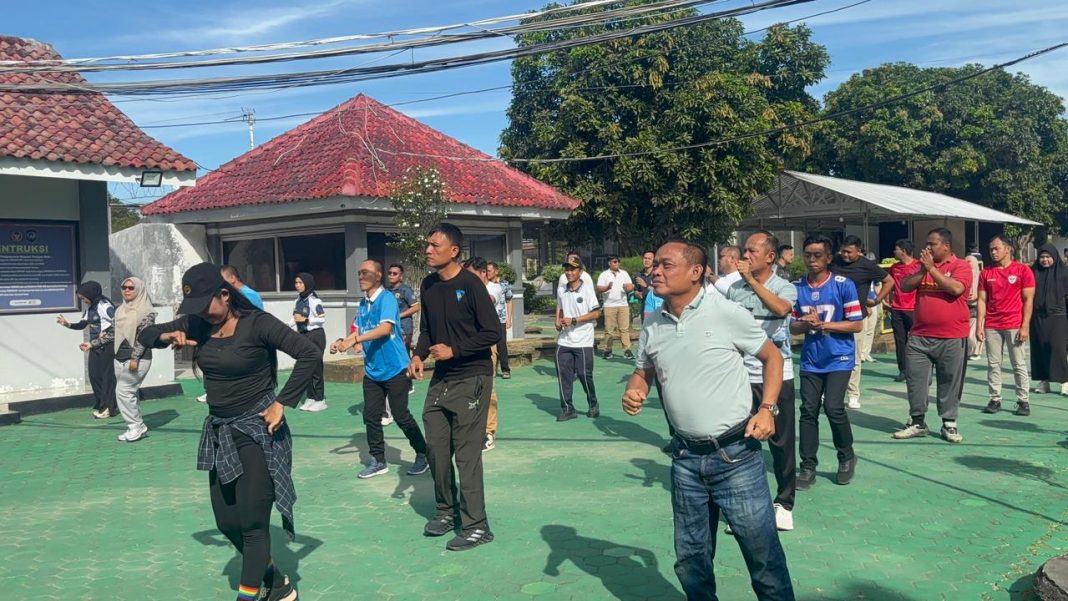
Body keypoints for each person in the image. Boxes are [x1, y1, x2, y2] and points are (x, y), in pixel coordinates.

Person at [138, 262, 321, 601]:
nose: (200, 315)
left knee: (253, 526)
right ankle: (277, 583)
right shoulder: (198, 322)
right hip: (222, 433)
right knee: (227, 522)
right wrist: (166, 336)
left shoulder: (258, 324)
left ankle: (249, 595)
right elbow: (144, 335)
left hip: (258, 432)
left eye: (206, 305)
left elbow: (309, 353)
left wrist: (282, 402)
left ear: (225, 294)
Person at [623, 240, 792, 601]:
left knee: (762, 558)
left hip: (736, 457)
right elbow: (643, 371)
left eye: (667, 265)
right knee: (691, 559)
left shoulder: (725, 312)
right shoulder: (652, 323)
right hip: (684, 459)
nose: (655, 271)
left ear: (696, 272)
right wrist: (635, 389)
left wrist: (768, 408)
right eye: (657, 266)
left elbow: (772, 357)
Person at [409, 223, 501, 552]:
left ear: (454, 251)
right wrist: (419, 355)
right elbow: (428, 330)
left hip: (473, 375)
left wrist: (455, 350)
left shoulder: (472, 286)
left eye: (435, 245)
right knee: (435, 448)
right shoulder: (429, 285)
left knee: (466, 455)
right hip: (442, 378)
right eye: (427, 245)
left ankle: (477, 525)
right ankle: (446, 512)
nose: (428, 250)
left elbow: (492, 332)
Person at [330, 260, 429, 479]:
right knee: (371, 416)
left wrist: (356, 339)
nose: (360, 277)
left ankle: (423, 453)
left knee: (401, 416)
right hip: (373, 371)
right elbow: (360, 330)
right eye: (358, 273)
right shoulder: (363, 304)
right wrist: (343, 341)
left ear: (378, 276)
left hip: (395, 369)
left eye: (365, 272)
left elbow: (384, 329)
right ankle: (378, 460)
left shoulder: (387, 299)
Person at [727, 231, 798, 530]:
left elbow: (781, 310)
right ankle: (746, 507)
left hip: (776, 378)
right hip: (742, 378)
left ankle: (784, 503)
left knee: (781, 444)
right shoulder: (733, 290)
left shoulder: (785, 287)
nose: (746, 256)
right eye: (744, 251)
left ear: (770, 257)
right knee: (743, 443)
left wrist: (754, 283)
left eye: (752, 251)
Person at [792, 234, 863, 491]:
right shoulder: (797, 287)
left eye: (817, 255)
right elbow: (793, 325)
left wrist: (825, 324)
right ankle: (807, 465)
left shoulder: (844, 284)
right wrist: (804, 323)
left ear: (828, 257)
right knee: (808, 411)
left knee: (833, 407)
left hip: (839, 357)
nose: (812, 260)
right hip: (812, 359)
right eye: (808, 255)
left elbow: (856, 323)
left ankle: (846, 456)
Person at [893, 228, 971, 444]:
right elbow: (905, 286)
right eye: (926, 243)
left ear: (946, 246)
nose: (927, 248)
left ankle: (949, 423)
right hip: (919, 335)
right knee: (915, 380)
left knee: (949, 380)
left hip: (952, 336)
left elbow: (956, 289)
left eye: (932, 244)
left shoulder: (961, 266)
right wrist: (923, 270)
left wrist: (932, 270)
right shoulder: (922, 266)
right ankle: (917, 421)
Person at [830, 235, 893, 409]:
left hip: (856, 317)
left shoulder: (867, 265)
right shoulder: (834, 261)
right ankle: (828, 392)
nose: (845, 255)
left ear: (859, 251)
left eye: (849, 252)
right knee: (831, 355)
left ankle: (853, 394)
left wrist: (878, 300)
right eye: (843, 250)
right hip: (834, 317)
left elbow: (889, 281)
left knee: (855, 357)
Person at [977, 235, 1035, 416]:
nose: (993, 252)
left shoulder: (1022, 271)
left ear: (1008, 248)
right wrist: (980, 325)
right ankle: (995, 399)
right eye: (991, 249)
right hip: (992, 325)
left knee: (1018, 363)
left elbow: (1028, 299)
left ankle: (1023, 401)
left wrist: (1025, 325)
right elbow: (981, 300)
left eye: (997, 248)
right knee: (993, 364)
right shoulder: (986, 272)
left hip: (1014, 325)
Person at [57, 281, 117, 419]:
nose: (83, 301)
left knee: (107, 378)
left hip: (107, 346)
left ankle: (108, 407)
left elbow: (118, 320)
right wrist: (67, 324)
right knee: (94, 376)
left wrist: (106, 331)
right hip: (94, 345)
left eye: (84, 298)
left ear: (91, 293)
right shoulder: (90, 308)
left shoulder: (104, 305)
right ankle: (102, 403)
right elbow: (83, 324)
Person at [555, 258, 602, 421]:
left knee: (583, 374)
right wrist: (558, 320)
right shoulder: (562, 290)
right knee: (564, 376)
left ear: (580, 272)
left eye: (572, 269)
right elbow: (560, 307)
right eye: (567, 269)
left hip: (583, 341)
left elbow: (596, 313)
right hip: (564, 341)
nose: (569, 272)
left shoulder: (588, 290)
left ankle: (593, 404)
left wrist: (574, 320)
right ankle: (568, 409)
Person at [113, 277, 157, 442]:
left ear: (139, 289)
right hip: (119, 357)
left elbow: (144, 338)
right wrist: (92, 343)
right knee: (130, 393)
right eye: (124, 287)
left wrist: (135, 357)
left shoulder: (147, 312)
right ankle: (138, 426)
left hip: (138, 358)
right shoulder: (120, 310)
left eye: (131, 288)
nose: (126, 290)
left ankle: (135, 426)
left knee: (123, 391)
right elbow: (112, 332)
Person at [1031, 244, 1068, 396]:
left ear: (1054, 257)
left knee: (1057, 348)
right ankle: (1044, 381)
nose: (1045, 260)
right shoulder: (1034, 273)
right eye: (1042, 257)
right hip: (1038, 317)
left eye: (1048, 257)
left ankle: (1065, 381)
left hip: (1059, 316)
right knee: (1040, 348)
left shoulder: (1064, 274)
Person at [386, 263, 420, 420]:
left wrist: (400, 316)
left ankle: (408, 383)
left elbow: (416, 306)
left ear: (401, 276)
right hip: (392, 330)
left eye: (395, 273)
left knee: (403, 355)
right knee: (395, 357)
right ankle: (402, 383)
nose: (391, 275)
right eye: (390, 273)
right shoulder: (387, 291)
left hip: (404, 329)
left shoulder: (405, 290)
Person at [291, 273, 328, 412]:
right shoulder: (298, 300)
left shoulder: (314, 300)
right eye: (296, 283)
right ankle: (310, 397)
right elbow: (295, 318)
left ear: (307, 283)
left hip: (315, 335)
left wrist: (307, 321)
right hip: (303, 336)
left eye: (300, 283)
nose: (297, 285)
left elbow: (322, 318)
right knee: (306, 367)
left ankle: (320, 399)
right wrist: (285, 326)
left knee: (316, 368)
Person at [887, 240, 921, 382]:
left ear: (904, 251)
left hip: (913, 309)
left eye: (896, 249)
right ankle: (903, 370)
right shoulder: (894, 268)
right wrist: (888, 301)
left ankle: (918, 369)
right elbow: (891, 285)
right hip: (897, 309)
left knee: (916, 340)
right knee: (900, 341)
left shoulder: (919, 266)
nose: (894, 252)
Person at [596, 256, 634, 359]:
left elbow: (631, 285)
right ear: (609, 263)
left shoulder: (624, 273)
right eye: (615, 262)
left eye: (618, 261)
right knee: (609, 330)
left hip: (623, 304)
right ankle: (608, 350)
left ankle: (627, 350)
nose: (617, 263)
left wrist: (628, 288)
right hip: (609, 305)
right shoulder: (604, 274)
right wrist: (607, 287)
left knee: (624, 329)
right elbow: (599, 288)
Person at [486, 262, 513, 379]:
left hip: (501, 319)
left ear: (496, 271)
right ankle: (491, 368)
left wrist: (509, 318)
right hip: (488, 320)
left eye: (489, 271)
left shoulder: (504, 285)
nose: (487, 273)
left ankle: (505, 369)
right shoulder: (484, 284)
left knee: (501, 345)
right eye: (486, 271)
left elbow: (509, 301)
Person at [965, 251, 983, 360]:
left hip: (977, 306)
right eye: (966, 261)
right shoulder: (962, 274)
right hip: (965, 306)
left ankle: (975, 352)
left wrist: (977, 295)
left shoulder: (981, 275)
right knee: (967, 332)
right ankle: (969, 351)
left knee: (974, 332)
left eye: (970, 261)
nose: (968, 263)